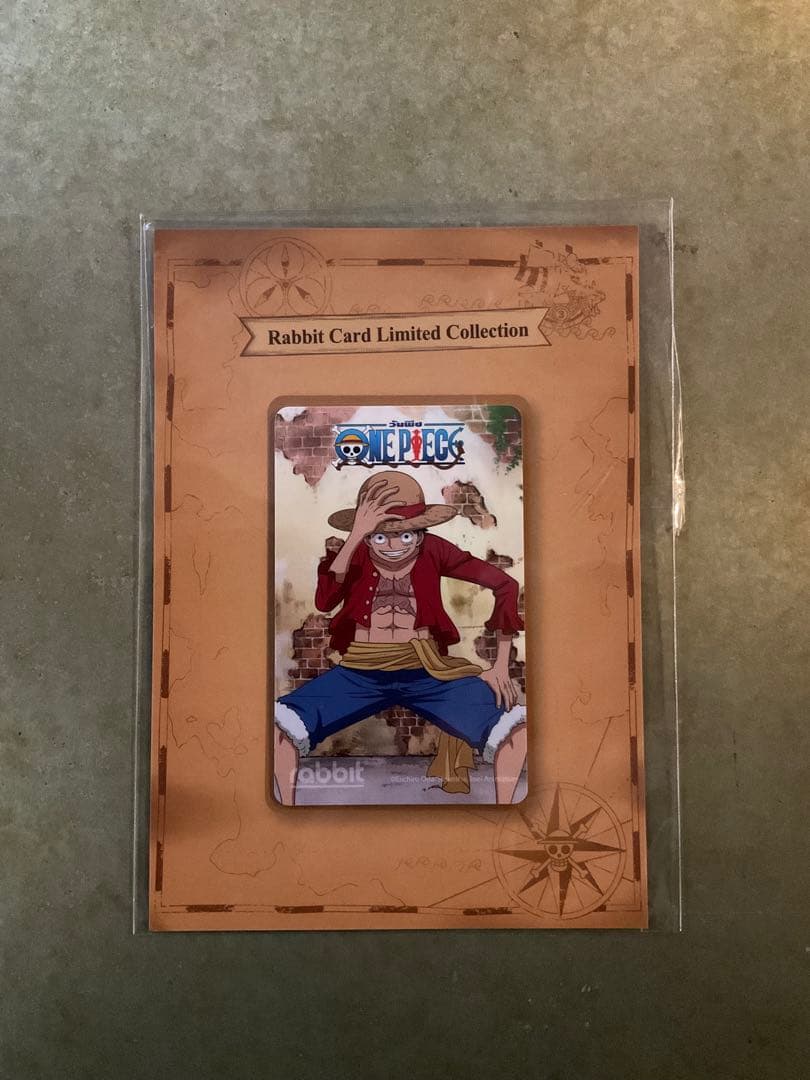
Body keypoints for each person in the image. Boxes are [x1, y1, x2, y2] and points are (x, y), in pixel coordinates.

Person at [274, 471, 527, 804]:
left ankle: (504, 816)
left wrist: (500, 666)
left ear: (420, 533)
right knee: (279, 728)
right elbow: (325, 600)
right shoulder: (353, 552)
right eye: (380, 537)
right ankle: (287, 818)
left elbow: (505, 584)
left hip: (425, 671)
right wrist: (355, 537)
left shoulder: (435, 550)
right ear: (367, 535)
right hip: (359, 672)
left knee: (515, 732)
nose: (393, 546)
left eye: (405, 536)